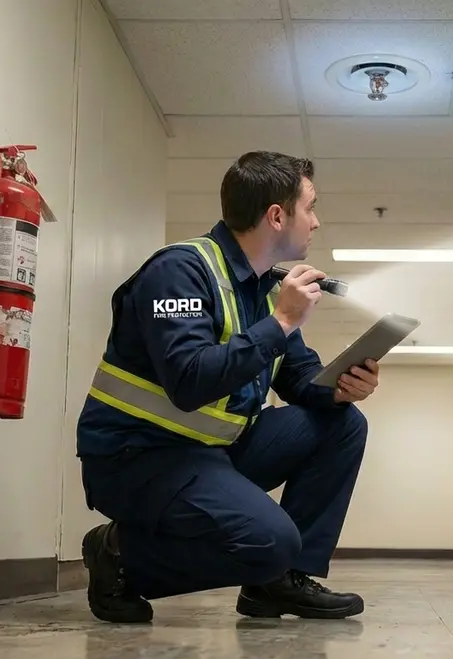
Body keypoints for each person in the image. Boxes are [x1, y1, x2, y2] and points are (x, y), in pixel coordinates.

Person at [74, 151, 381, 625]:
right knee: (270, 541)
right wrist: (280, 323)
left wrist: (340, 387)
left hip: (209, 452)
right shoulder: (179, 271)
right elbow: (190, 380)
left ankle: (278, 584)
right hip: (136, 458)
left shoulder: (265, 290)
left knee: (342, 423)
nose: (316, 222)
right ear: (277, 216)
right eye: (311, 207)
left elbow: (299, 377)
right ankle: (117, 554)